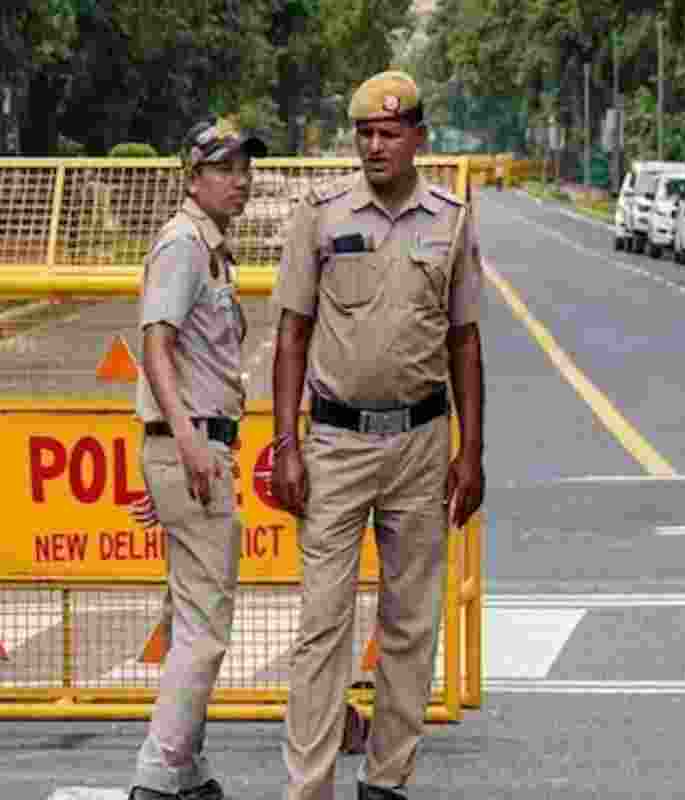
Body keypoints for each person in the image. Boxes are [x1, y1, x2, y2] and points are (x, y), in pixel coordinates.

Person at [270, 70, 486, 800]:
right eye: (364, 133)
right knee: (321, 628)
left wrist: (472, 452)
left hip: (423, 447)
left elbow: (464, 341)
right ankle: (310, 788)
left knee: (410, 624)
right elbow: (291, 334)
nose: (374, 146)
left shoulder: (450, 218)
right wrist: (288, 445)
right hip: (334, 444)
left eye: (389, 133)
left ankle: (387, 781)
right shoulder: (321, 214)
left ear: (419, 137)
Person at [129, 117, 266, 800]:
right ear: (194, 177)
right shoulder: (185, 246)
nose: (240, 181)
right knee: (205, 631)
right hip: (195, 449)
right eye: (225, 168)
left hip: (193, 448)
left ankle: (188, 774)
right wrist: (183, 439)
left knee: (191, 620)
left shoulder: (211, 248)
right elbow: (156, 343)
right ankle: (157, 781)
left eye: (246, 168)